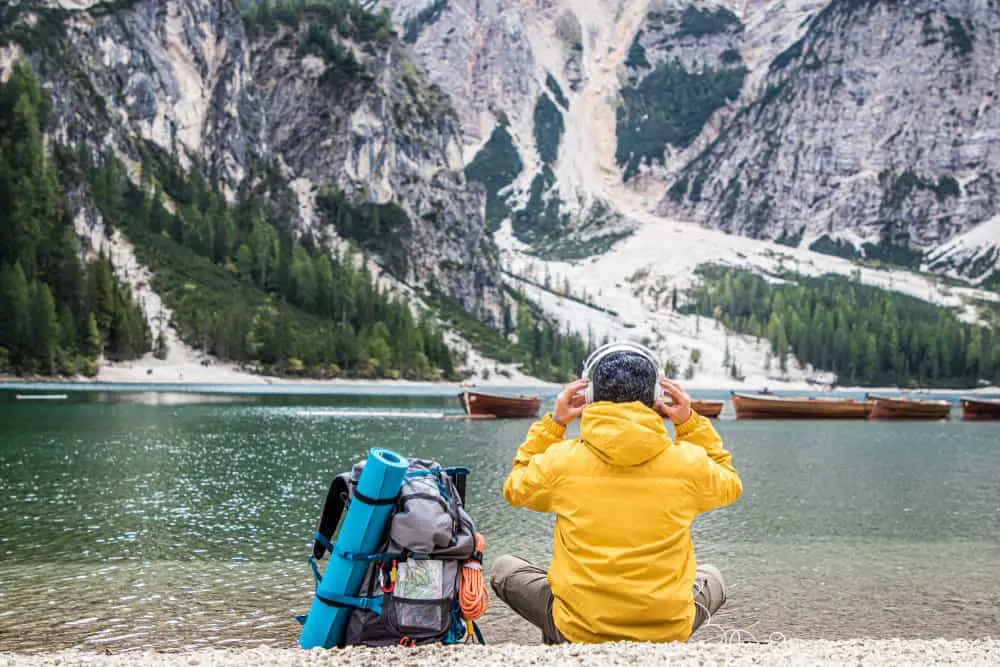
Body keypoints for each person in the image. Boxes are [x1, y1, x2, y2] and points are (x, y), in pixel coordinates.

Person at [491, 344, 743, 644]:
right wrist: (689, 423)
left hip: (580, 628)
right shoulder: (688, 463)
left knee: (503, 569)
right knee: (712, 576)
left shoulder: (560, 462)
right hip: (668, 629)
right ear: (657, 396)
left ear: (589, 395)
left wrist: (554, 424)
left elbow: (515, 487)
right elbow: (730, 483)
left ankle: (560, 647)